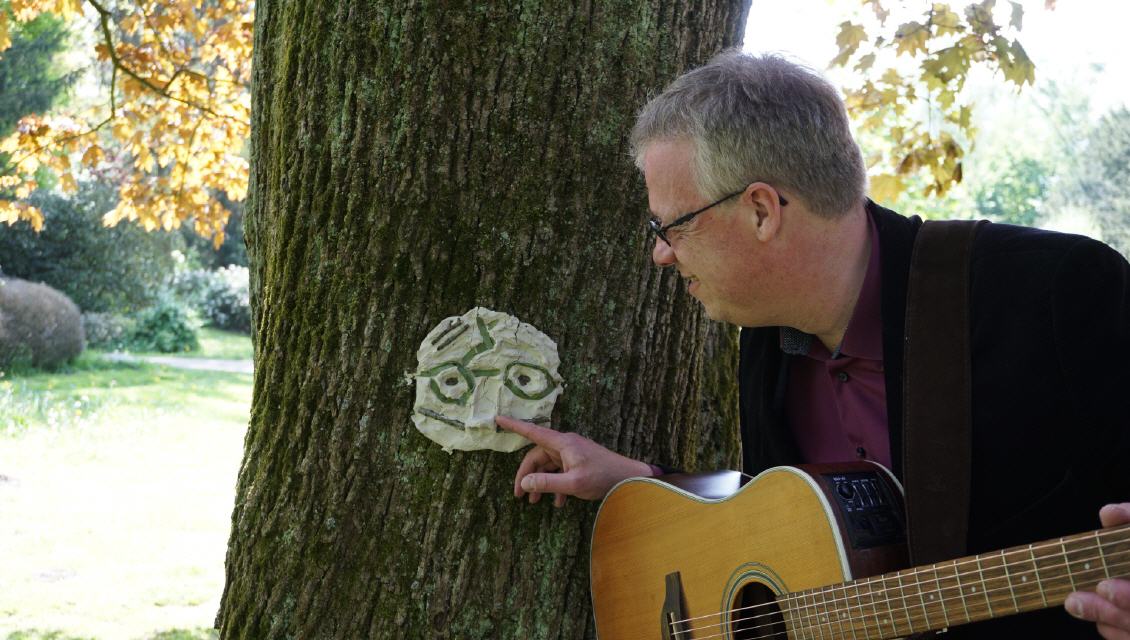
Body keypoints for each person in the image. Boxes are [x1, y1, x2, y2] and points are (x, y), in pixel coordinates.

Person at [495, 52, 1130, 639]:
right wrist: (635, 481)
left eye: (671, 226)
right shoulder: (767, 343)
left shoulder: (1059, 292)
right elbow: (800, 533)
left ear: (762, 211)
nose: (661, 255)